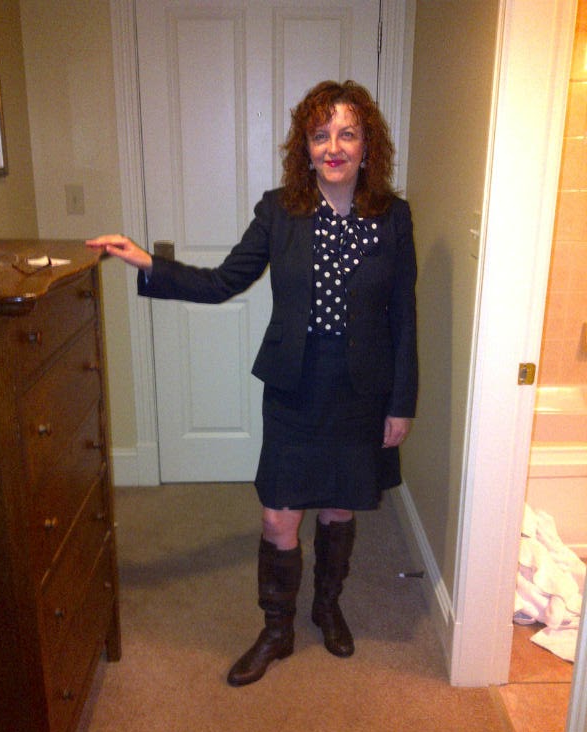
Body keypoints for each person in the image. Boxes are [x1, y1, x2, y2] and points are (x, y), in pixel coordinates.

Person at [87, 79, 418, 687]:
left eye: (347, 133)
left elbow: (404, 315)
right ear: (305, 148)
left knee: (339, 507)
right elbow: (222, 283)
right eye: (320, 135)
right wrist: (148, 262)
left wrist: (401, 403)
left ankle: (327, 607)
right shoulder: (279, 211)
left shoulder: (393, 218)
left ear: (367, 144)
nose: (333, 147)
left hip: (361, 391)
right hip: (295, 387)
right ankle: (277, 629)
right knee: (277, 517)